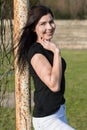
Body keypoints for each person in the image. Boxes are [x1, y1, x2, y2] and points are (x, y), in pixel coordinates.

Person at [17, 5, 76, 130]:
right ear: (34, 27)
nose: (49, 27)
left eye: (51, 22)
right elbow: (54, 85)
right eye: (43, 24)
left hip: (59, 112)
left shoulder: (47, 47)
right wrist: (57, 52)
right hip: (47, 119)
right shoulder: (36, 52)